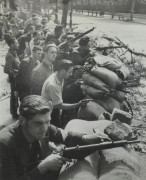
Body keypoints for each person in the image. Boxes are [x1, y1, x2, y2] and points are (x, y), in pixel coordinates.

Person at [0, 95, 109, 180]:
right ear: (22, 121)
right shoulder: (4, 144)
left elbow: (66, 136)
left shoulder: (45, 126)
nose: (44, 128)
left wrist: (87, 138)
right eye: (38, 123)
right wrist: (43, 167)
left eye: (48, 121)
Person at [41, 59, 88, 127]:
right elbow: (60, 106)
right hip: (50, 112)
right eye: (70, 72)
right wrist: (78, 104)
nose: (71, 74)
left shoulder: (60, 77)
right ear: (63, 71)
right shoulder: (52, 84)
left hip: (54, 108)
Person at [4, 34, 20, 119]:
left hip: (16, 79)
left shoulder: (14, 53)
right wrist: (15, 74)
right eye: (16, 43)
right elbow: (6, 69)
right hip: (14, 79)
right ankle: (14, 113)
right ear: (12, 45)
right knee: (14, 96)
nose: (18, 44)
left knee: (15, 95)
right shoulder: (10, 55)